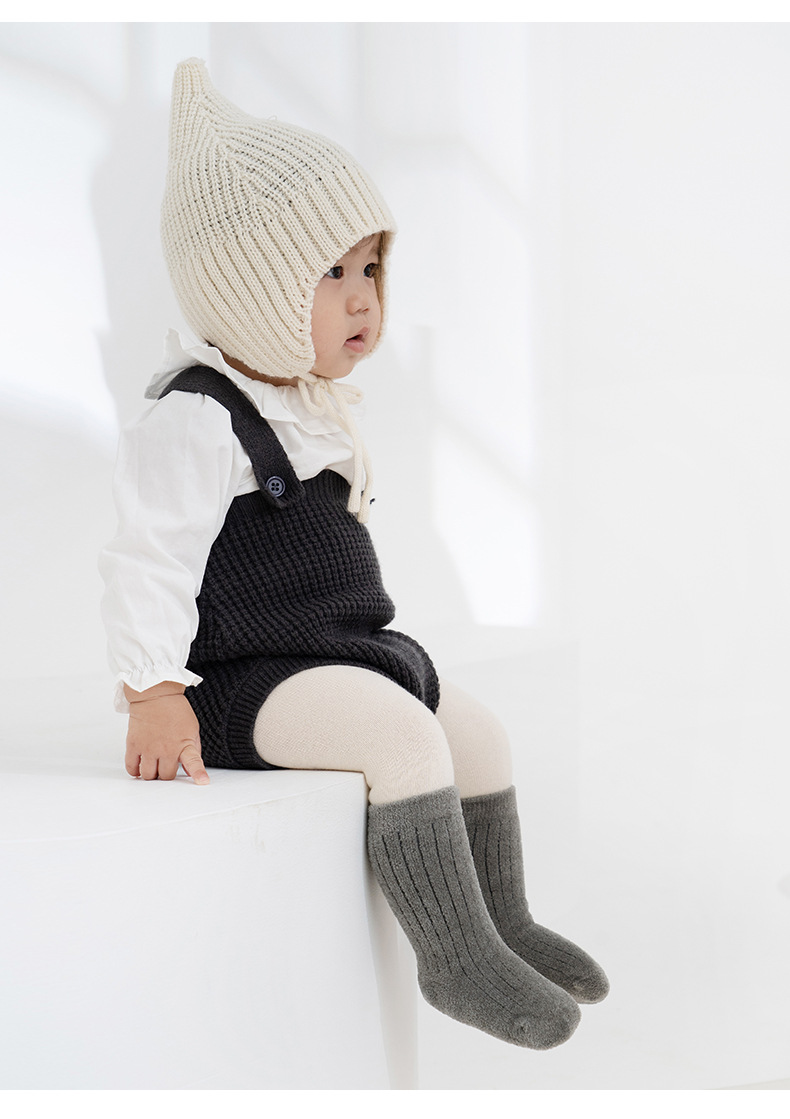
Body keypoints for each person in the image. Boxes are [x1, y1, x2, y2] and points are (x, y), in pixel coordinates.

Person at [100, 57, 608, 1051]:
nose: (363, 299)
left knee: (478, 732)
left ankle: (501, 922)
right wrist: (154, 691)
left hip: (336, 655)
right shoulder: (194, 416)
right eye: (331, 274)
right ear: (248, 287)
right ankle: (453, 958)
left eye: (370, 269)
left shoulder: (309, 406)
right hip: (240, 682)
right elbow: (145, 559)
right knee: (402, 739)